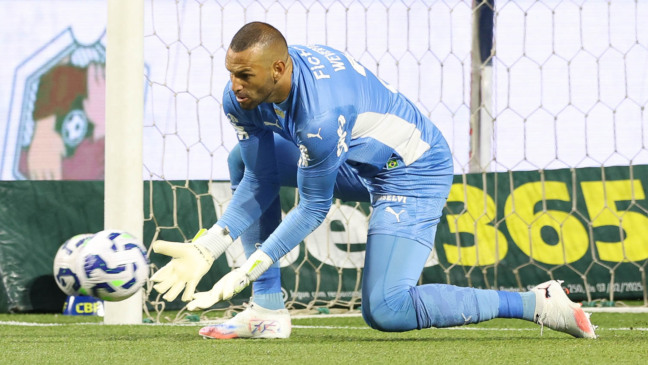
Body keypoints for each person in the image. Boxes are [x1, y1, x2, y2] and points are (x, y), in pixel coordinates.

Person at [150, 22, 596, 340]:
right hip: (355, 159)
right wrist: (207, 247)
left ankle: (535, 302)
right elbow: (260, 178)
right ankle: (266, 311)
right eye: (231, 73)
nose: (235, 86)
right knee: (241, 161)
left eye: (244, 75)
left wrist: (245, 269)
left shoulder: (319, 117)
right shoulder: (240, 98)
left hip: (413, 172)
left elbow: (313, 209)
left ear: (279, 70)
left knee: (387, 310)